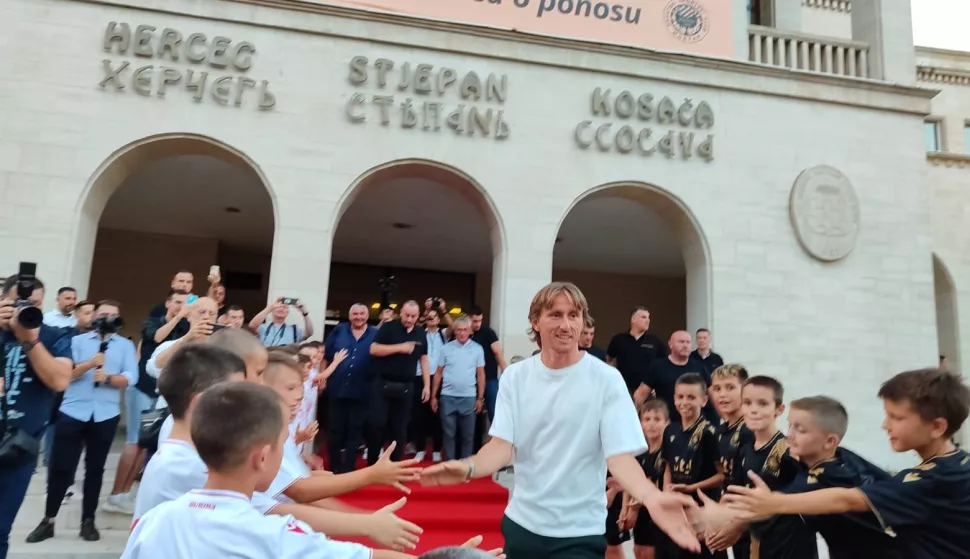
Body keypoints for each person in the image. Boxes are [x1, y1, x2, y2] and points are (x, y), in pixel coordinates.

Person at [420, 282, 700, 558]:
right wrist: (469, 467)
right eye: (555, 314)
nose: (566, 325)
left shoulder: (607, 379)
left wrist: (651, 497)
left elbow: (619, 458)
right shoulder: (515, 378)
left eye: (573, 315)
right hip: (522, 525)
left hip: (580, 532)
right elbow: (502, 447)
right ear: (535, 322)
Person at [134, 345, 423, 551]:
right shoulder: (193, 470)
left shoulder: (161, 514)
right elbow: (284, 509)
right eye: (249, 379)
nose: (256, 387)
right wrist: (367, 521)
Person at [722, 368, 970, 559]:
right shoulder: (952, 465)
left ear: (937, 426)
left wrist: (774, 502)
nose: (885, 425)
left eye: (896, 417)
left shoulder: (935, 478)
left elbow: (848, 498)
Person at [0, 274, 73, 559]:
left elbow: (59, 381)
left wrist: (29, 340)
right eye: (17, 303)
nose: (24, 309)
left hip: (19, 448)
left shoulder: (54, 337)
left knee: (0, 530)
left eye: (33, 305)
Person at [731, 376, 816, 559]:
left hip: (790, 547)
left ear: (778, 409)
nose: (753, 410)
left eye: (762, 404)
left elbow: (810, 494)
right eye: (747, 403)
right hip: (760, 542)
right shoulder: (745, 450)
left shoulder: (788, 451)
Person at [660, 374, 724, 559]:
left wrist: (691, 488)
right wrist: (667, 491)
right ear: (674, 399)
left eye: (691, 397)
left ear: (703, 400)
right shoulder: (670, 430)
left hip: (703, 510)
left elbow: (722, 475)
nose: (684, 402)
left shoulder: (709, 433)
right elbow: (668, 466)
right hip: (678, 510)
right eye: (680, 397)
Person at [368, 301, 430, 464]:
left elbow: (424, 358)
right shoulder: (389, 327)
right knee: (377, 424)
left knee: (400, 428)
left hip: (406, 386)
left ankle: (395, 464)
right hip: (383, 383)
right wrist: (400, 348)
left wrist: (427, 385)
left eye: (413, 316)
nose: (409, 319)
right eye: (406, 315)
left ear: (418, 316)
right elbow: (373, 349)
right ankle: (373, 462)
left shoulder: (420, 333)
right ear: (401, 313)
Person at [324, 304, 378, 473]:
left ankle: (348, 467)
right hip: (337, 388)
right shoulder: (339, 330)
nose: (358, 317)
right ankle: (334, 466)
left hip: (363, 390)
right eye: (355, 314)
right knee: (335, 430)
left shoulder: (376, 334)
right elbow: (325, 356)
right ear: (349, 316)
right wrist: (323, 378)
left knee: (355, 430)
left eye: (362, 314)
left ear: (367, 316)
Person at [705, 364, 752, 558]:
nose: (722, 394)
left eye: (730, 387)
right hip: (735, 514)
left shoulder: (751, 430)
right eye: (717, 389)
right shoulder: (722, 432)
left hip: (755, 521)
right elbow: (729, 478)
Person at [618, 399, 670, 559]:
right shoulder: (639, 452)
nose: (652, 424)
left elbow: (664, 487)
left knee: (651, 553)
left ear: (666, 423)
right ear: (640, 423)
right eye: (647, 420)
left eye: (657, 419)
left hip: (657, 512)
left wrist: (637, 505)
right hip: (639, 512)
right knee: (638, 551)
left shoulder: (667, 452)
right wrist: (624, 509)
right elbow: (630, 482)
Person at [431, 316, 485, 461]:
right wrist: (433, 396)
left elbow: (480, 374)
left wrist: (480, 398)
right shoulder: (446, 348)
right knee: (449, 433)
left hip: (469, 397)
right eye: (459, 330)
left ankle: (465, 465)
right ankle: (450, 464)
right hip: (447, 396)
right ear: (454, 331)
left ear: (470, 331)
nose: (461, 333)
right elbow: (438, 373)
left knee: (468, 434)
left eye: (465, 330)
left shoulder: (477, 349)